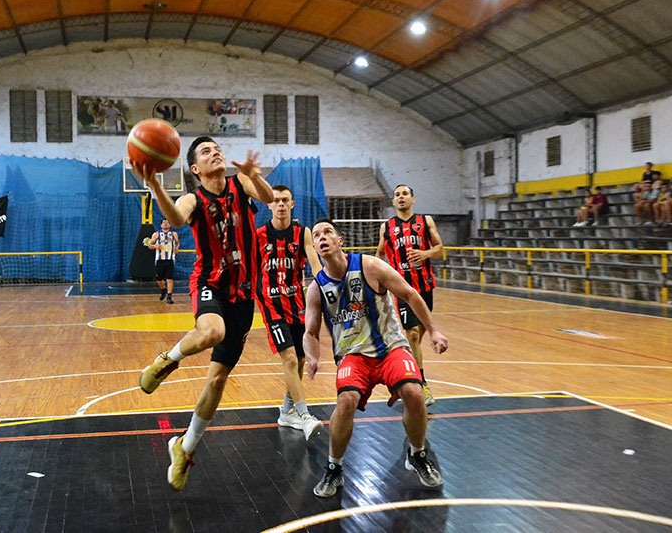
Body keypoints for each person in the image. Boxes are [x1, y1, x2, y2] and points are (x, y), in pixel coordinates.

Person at [134, 135, 274, 491]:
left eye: (218, 149)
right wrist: (153, 184)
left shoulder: (241, 183)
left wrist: (255, 175)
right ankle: (168, 360)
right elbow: (176, 219)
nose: (216, 153)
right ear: (195, 169)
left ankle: (184, 447)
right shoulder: (193, 198)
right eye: (207, 152)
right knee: (213, 332)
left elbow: (270, 198)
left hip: (244, 295)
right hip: (211, 281)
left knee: (217, 381)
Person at [304, 218, 448, 498]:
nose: (322, 237)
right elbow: (310, 331)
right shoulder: (316, 288)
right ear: (315, 246)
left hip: (391, 348)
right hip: (353, 355)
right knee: (346, 400)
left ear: (339, 241)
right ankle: (334, 467)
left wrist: (433, 330)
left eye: (327, 232)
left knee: (414, 393)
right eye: (317, 235)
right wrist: (313, 356)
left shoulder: (369, 266)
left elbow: (409, 293)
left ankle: (417, 454)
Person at [255, 185, 325, 440]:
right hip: (271, 305)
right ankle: (305, 416)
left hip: (296, 303)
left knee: (300, 359)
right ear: (269, 205)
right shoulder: (260, 235)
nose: (281, 204)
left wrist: (327, 284)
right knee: (290, 360)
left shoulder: (302, 232)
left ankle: (286, 411)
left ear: (292, 204)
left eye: (285, 200)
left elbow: (315, 263)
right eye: (276, 200)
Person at [376, 184, 443, 406]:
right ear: (393, 202)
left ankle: (403, 369)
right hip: (403, 288)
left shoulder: (426, 222)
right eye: (397, 195)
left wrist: (425, 253)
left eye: (405, 194)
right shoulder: (387, 227)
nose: (401, 197)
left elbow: (440, 248)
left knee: (418, 334)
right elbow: (379, 255)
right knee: (413, 334)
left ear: (412, 199)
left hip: (424, 286)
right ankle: (421, 385)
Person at [147, 218, 179, 303]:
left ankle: (169, 296)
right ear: (161, 225)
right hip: (160, 260)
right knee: (159, 279)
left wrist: (176, 248)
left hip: (170, 259)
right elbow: (149, 245)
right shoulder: (156, 234)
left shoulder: (173, 234)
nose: (165, 224)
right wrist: (155, 246)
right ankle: (163, 289)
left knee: (169, 279)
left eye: (167, 223)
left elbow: (177, 243)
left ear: (170, 225)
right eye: (164, 223)